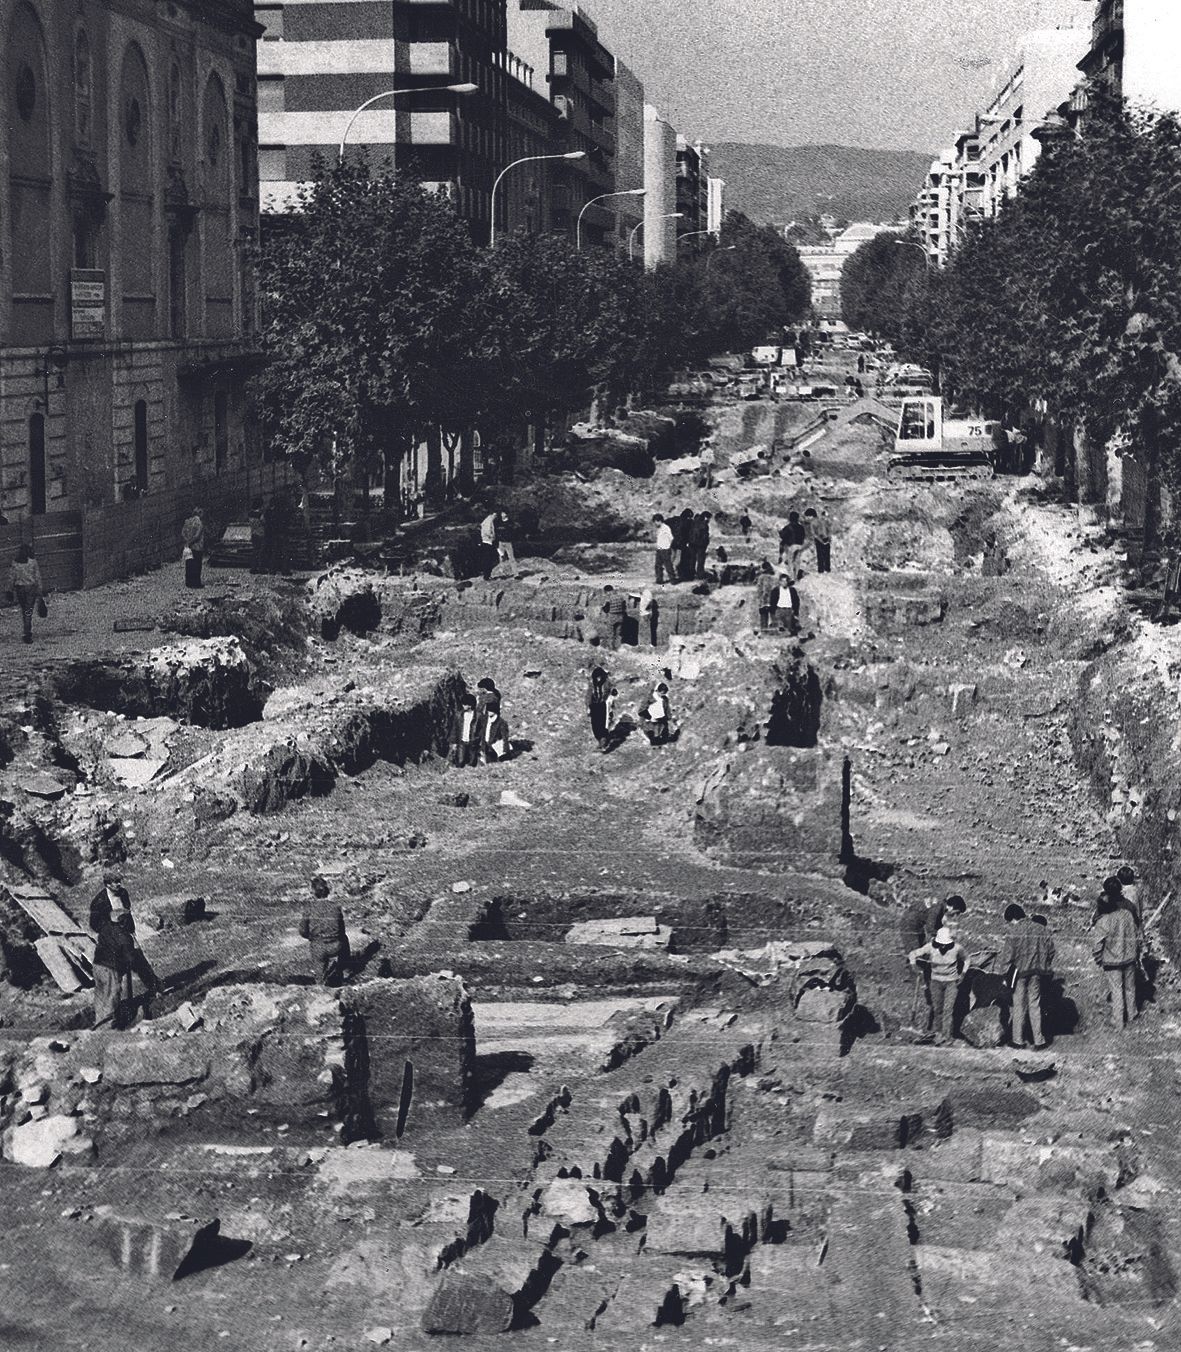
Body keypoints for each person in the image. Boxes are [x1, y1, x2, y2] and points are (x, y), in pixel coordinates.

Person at [93, 901, 159, 1029]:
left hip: (97, 966)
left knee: (101, 995)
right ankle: (108, 1027)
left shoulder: (106, 929)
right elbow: (131, 959)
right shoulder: (124, 937)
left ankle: (99, 1022)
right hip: (110, 969)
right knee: (111, 996)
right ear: (123, 922)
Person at [1000, 903, 1055, 1049]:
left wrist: (1004, 974)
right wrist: (1044, 963)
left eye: (1010, 921)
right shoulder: (1042, 929)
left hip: (1019, 972)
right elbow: (1051, 951)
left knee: (1018, 1005)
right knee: (1035, 1004)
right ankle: (1039, 1041)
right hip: (1038, 972)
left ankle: (1018, 1041)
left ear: (1013, 918)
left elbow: (1008, 956)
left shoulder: (1014, 931)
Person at [908, 927, 967, 1045]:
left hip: (951, 982)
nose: (943, 946)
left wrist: (963, 973)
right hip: (936, 982)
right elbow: (912, 954)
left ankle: (947, 1037)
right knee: (937, 1009)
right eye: (941, 944)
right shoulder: (930, 947)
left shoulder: (957, 948)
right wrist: (914, 966)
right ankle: (938, 1034)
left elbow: (967, 959)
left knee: (948, 1009)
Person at [1093, 888, 1139, 1028]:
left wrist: (1098, 958)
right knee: (1130, 987)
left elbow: (1097, 944)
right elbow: (1135, 933)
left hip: (1112, 960)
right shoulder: (1127, 914)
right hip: (1130, 957)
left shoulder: (1103, 921)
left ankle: (1118, 1020)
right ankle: (1132, 1014)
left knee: (1116, 990)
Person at [299, 875, 350, 987]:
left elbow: (302, 931)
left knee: (319, 973)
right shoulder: (336, 906)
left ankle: (321, 984)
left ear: (313, 892)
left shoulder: (309, 908)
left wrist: (311, 937)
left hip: (318, 947)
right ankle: (342, 970)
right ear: (327, 891)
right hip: (336, 946)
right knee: (345, 939)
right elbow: (341, 930)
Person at [6, 544, 44, 644]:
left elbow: (11, 577)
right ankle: (27, 632)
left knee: (24, 610)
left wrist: (9, 590)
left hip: (20, 589)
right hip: (31, 588)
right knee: (28, 611)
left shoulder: (15, 563)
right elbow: (37, 577)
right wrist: (40, 591)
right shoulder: (32, 562)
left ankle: (26, 630)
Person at [451, 692, 480, 767]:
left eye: (464, 704)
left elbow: (482, 730)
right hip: (462, 742)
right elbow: (455, 729)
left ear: (470, 705)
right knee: (460, 761)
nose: (462, 706)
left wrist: (478, 741)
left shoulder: (478, 716)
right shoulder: (459, 715)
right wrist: (454, 742)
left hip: (473, 743)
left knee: (472, 763)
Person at [587, 662, 611, 750]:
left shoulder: (605, 683)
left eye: (600, 677)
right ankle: (602, 741)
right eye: (597, 678)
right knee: (596, 723)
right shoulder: (592, 684)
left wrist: (605, 699)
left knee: (601, 723)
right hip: (595, 706)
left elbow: (608, 692)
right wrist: (589, 707)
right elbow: (589, 695)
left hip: (600, 706)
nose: (598, 679)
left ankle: (603, 742)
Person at [640, 682, 672, 746]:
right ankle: (653, 739)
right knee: (654, 736)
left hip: (661, 719)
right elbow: (641, 711)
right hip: (651, 720)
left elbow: (667, 709)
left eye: (664, 693)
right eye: (661, 693)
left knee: (663, 734)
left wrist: (668, 716)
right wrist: (650, 717)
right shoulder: (650, 698)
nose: (662, 695)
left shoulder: (664, 699)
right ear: (657, 691)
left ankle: (662, 737)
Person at [181, 507, 206, 588]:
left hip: (188, 547)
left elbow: (183, 533)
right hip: (197, 546)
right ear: (200, 513)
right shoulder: (199, 523)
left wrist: (187, 541)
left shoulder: (187, 521)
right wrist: (191, 542)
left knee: (189, 564)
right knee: (197, 565)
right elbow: (197, 536)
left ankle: (188, 582)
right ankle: (196, 583)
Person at [778, 511, 806, 580]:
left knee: (790, 562)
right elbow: (803, 536)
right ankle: (797, 576)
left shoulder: (788, 527)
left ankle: (792, 578)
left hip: (791, 546)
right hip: (800, 546)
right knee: (797, 562)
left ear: (790, 518)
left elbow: (783, 536)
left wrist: (779, 532)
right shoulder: (801, 527)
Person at [804, 506, 832, 574]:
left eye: (807, 517)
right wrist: (829, 538)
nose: (807, 518)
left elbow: (814, 534)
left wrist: (820, 540)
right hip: (826, 538)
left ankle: (821, 570)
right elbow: (829, 528)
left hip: (819, 540)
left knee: (820, 555)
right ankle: (827, 569)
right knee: (827, 554)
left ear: (811, 516)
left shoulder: (812, 523)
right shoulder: (822, 520)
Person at [601, 585, 628, 651]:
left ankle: (611, 649)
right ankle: (617, 648)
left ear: (608, 591)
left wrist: (603, 608)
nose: (606, 594)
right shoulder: (621, 597)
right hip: (620, 617)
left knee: (610, 634)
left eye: (606, 592)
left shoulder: (609, 598)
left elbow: (606, 610)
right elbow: (624, 607)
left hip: (612, 617)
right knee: (618, 634)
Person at [755, 561, 778, 632]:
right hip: (773, 599)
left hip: (764, 600)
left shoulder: (762, 577)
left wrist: (761, 597)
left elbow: (762, 589)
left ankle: (764, 630)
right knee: (773, 615)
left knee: (764, 616)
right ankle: (774, 630)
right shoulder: (774, 577)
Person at [653, 514, 675, 585]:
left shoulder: (666, 528)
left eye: (656, 522)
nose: (655, 523)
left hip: (665, 549)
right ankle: (659, 580)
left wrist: (667, 546)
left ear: (659, 521)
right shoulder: (659, 528)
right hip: (659, 549)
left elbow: (671, 538)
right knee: (658, 565)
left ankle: (672, 579)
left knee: (668, 565)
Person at [675, 508, 697, 581]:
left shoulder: (680, 522)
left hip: (682, 544)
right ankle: (687, 576)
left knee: (684, 560)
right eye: (689, 517)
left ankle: (683, 575)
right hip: (686, 544)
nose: (690, 518)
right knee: (686, 560)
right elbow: (686, 534)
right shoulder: (687, 523)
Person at [690, 512, 712, 580]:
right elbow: (704, 536)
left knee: (692, 559)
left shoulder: (694, 522)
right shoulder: (704, 524)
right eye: (709, 518)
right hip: (700, 545)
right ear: (706, 517)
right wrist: (706, 543)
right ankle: (700, 574)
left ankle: (691, 574)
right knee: (701, 560)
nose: (709, 520)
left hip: (692, 543)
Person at [496, 511, 517, 578]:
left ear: (506, 514)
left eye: (504, 513)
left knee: (511, 558)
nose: (502, 514)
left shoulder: (510, 523)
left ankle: (516, 574)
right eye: (501, 513)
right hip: (500, 542)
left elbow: (513, 532)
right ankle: (502, 573)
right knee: (501, 558)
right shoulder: (499, 522)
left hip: (508, 542)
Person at [479, 511, 498, 581]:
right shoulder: (489, 521)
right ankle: (487, 576)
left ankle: (487, 575)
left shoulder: (487, 520)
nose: (496, 517)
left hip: (485, 542)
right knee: (488, 560)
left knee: (487, 560)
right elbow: (487, 531)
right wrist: (493, 536)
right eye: (495, 515)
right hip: (488, 542)